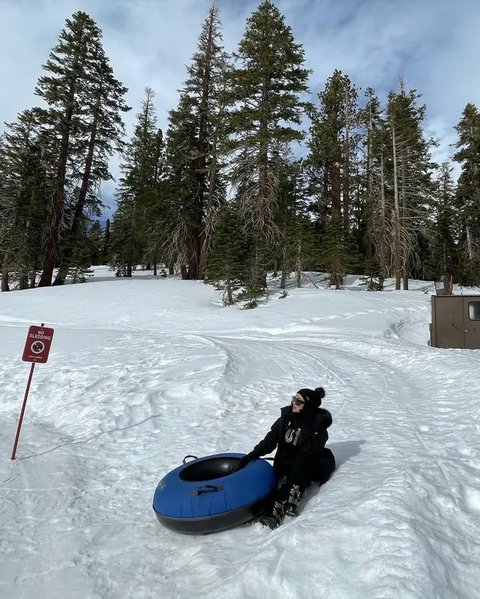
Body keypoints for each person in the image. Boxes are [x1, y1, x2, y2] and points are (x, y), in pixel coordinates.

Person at [234, 387, 335, 529]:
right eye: (294, 399)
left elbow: (310, 454)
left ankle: (279, 506)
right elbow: (269, 441)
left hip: (304, 467)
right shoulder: (286, 418)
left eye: (299, 401)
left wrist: (306, 428)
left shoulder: (317, 428)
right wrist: (251, 456)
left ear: (309, 406)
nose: (294, 403)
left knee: (300, 467)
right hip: (284, 462)